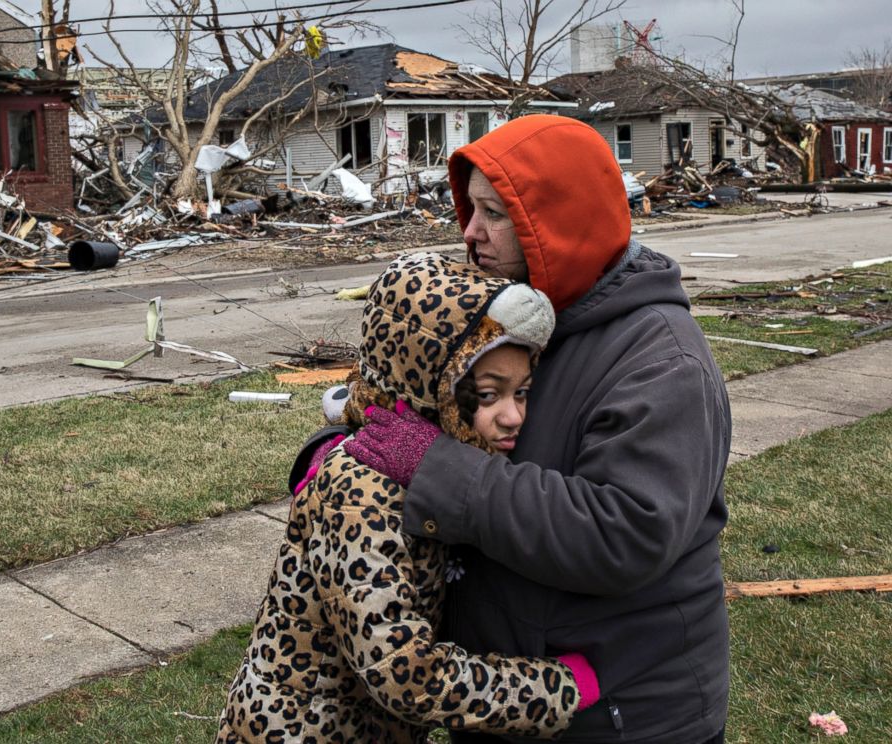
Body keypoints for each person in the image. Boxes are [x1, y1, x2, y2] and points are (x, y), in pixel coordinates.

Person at [344, 115, 732, 744]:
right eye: (469, 210)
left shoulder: (662, 362)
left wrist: (437, 468)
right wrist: (341, 455)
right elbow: (405, 410)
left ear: (562, 223)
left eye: (495, 214)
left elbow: (625, 532)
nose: (470, 234)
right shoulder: (512, 319)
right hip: (505, 695)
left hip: (617, 710)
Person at [214, 252, 601, 744]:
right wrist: (559, 689)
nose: (513, 417)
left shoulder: (427, 470)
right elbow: (404, 673)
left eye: (522, 392)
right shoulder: (360, 493)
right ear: (426, 387)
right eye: (487, 395)